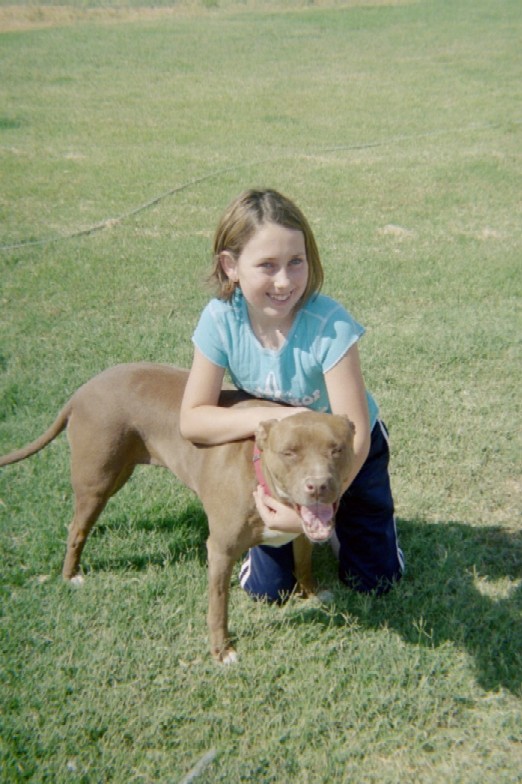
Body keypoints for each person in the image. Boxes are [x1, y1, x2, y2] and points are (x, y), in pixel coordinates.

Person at [180, 188, 404, 602]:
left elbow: (355, 434)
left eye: (295, 262)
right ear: (231, 266)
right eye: (267, 265)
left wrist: (316, 509)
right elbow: (192, 419)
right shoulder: (220, 320)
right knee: (268, 591)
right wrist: (269, 418)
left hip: (347, 456)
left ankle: (343, 522)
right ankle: (316, 521)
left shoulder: (329, 324)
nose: (284, 281)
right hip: (283, 459)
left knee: (376, 582)